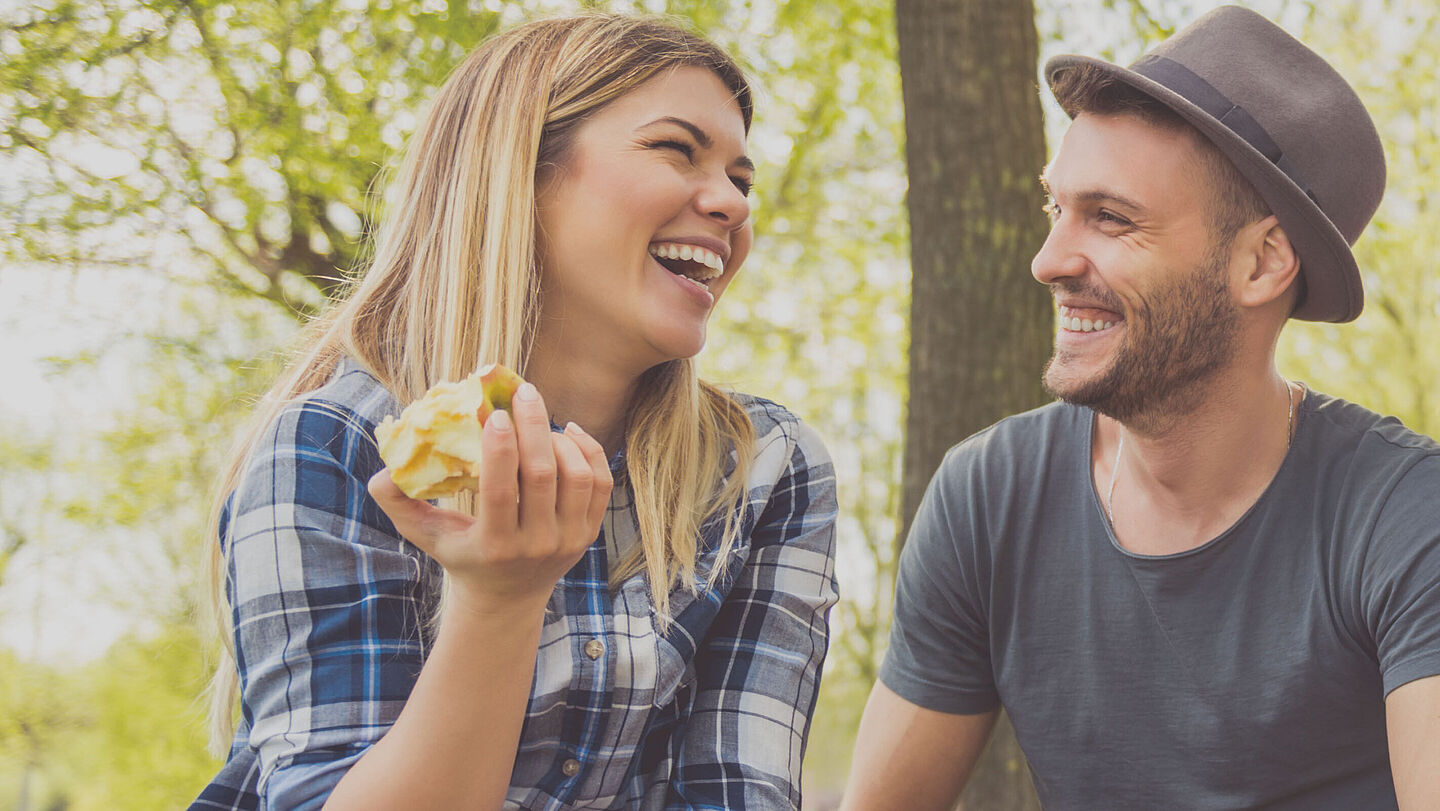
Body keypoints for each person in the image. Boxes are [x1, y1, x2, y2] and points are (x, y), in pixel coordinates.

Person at [190, 14, 838, 810]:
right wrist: (498, 601)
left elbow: (735, 792)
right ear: (521, 171)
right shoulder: (336, 446)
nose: (731, 204)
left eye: (741, 179)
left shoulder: (765, 467)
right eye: (677, 149)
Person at [842, 6, 1438, 809]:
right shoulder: (988, 497)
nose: (1049, 259)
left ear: (1263, 261)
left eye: (1112, 218)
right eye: (1057, 209)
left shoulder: (1405, 516)